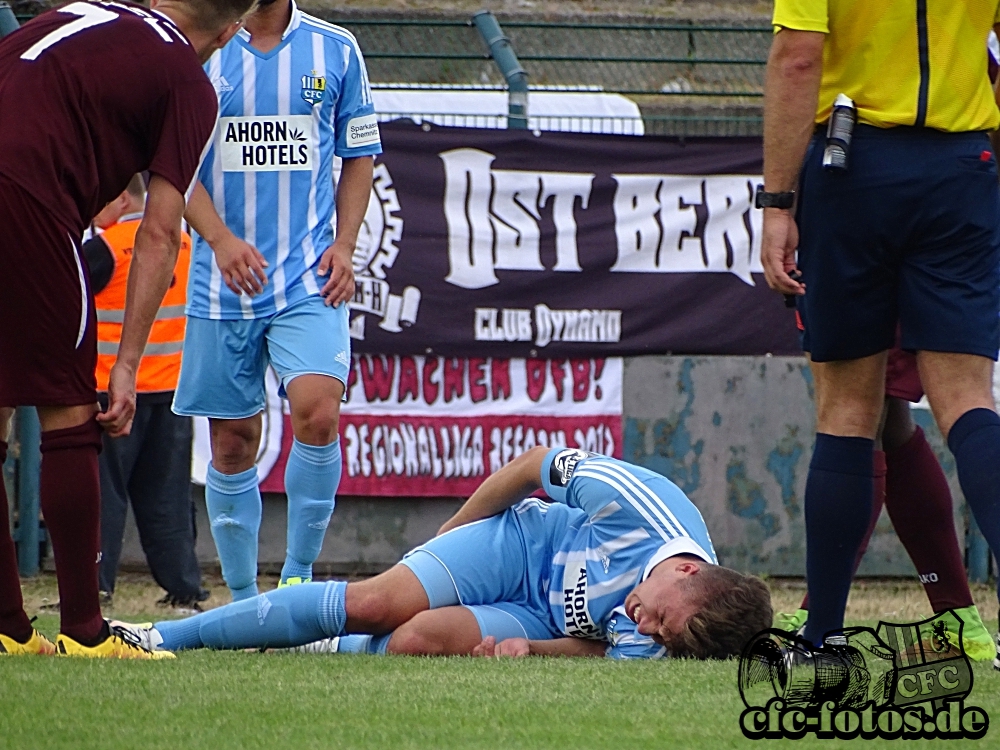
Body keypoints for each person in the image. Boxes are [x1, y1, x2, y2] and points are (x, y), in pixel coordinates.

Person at [0, 0, 254, 659]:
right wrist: (125, 365)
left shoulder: (83, 11)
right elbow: (160, 231)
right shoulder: (186, 79)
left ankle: (5, 625)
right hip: (22, 195)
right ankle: (86, 632)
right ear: (228, 34)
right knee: (69, 413)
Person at [760, 1, 1000, 651]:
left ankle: (823, 636)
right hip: (961, 164)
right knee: (968, 402)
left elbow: (798, 55)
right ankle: (957, 612)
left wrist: (777, 202)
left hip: (853, 166)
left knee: (845, 409)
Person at [111, 448, 774, 659]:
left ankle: (308, 638)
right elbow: (528, 468)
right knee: (375, 603)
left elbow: (603, 651)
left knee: (413, 642)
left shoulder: (681, 633)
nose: (647, 627)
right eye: (659, 618)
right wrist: (448, 537)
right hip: (517, 546)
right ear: (687, 569)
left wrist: (535, 650)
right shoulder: (641, 503)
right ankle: (156, 636)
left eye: (658, 634)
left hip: (538, 619)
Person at [173, 0, 380, 601]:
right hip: (222, 280)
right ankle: (243, 599)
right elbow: (174, 162)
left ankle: (297, 577)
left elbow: (359, 154)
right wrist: (220, 239)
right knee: (234, 438)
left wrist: (344, 245)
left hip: (307, 279)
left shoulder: (336, 48)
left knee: (319, 412)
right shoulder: (196, 46)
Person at [775, 336, 995, 661]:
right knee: (894, 414)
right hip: (950, 288)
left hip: (856, 287)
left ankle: (820, 628)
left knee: (853, 414)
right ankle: (957, 619)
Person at [83, 175, 208, 610]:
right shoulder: (187, 247)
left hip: (112, 394)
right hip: (173, 393)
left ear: (120, 197)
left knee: (102, 494)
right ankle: (185, 587)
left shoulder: (104, 249)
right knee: (169, 497)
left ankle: (93, 586)